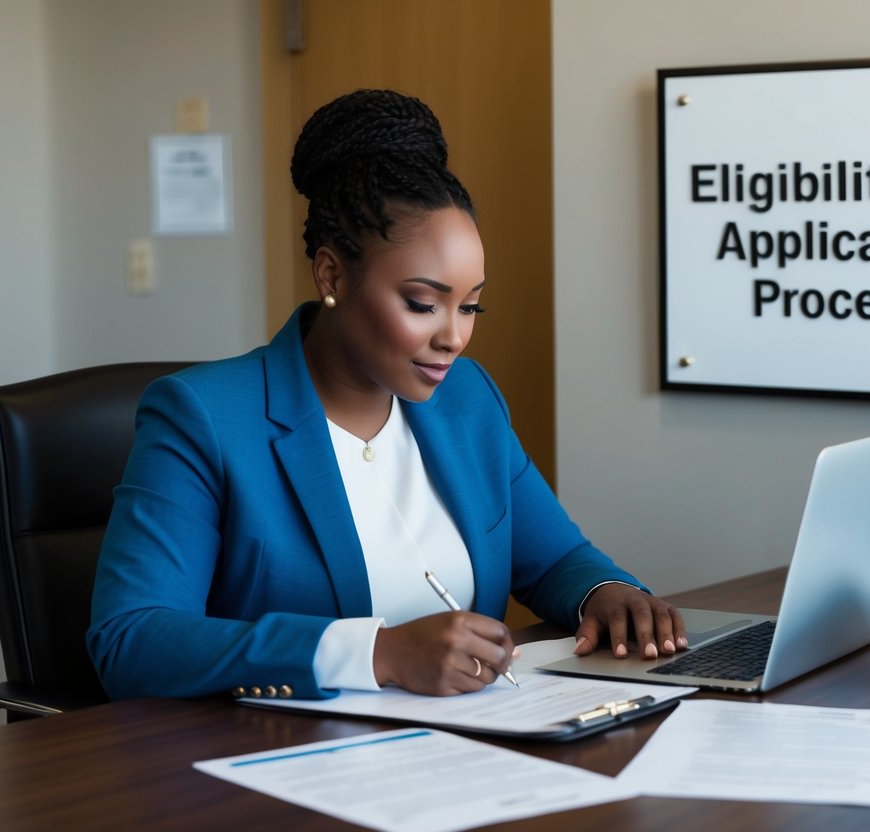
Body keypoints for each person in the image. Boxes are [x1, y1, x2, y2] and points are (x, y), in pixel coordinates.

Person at [87, 88, 687, 700]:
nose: (454, 337)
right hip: (277, 764)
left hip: (467, 754)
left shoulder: (467, 400)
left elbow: (557, 559)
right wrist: (379, 653)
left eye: (471, 304)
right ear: (332, 275)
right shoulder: (205, 417)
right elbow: (131, 638)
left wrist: (609, 595)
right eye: (423, 304)